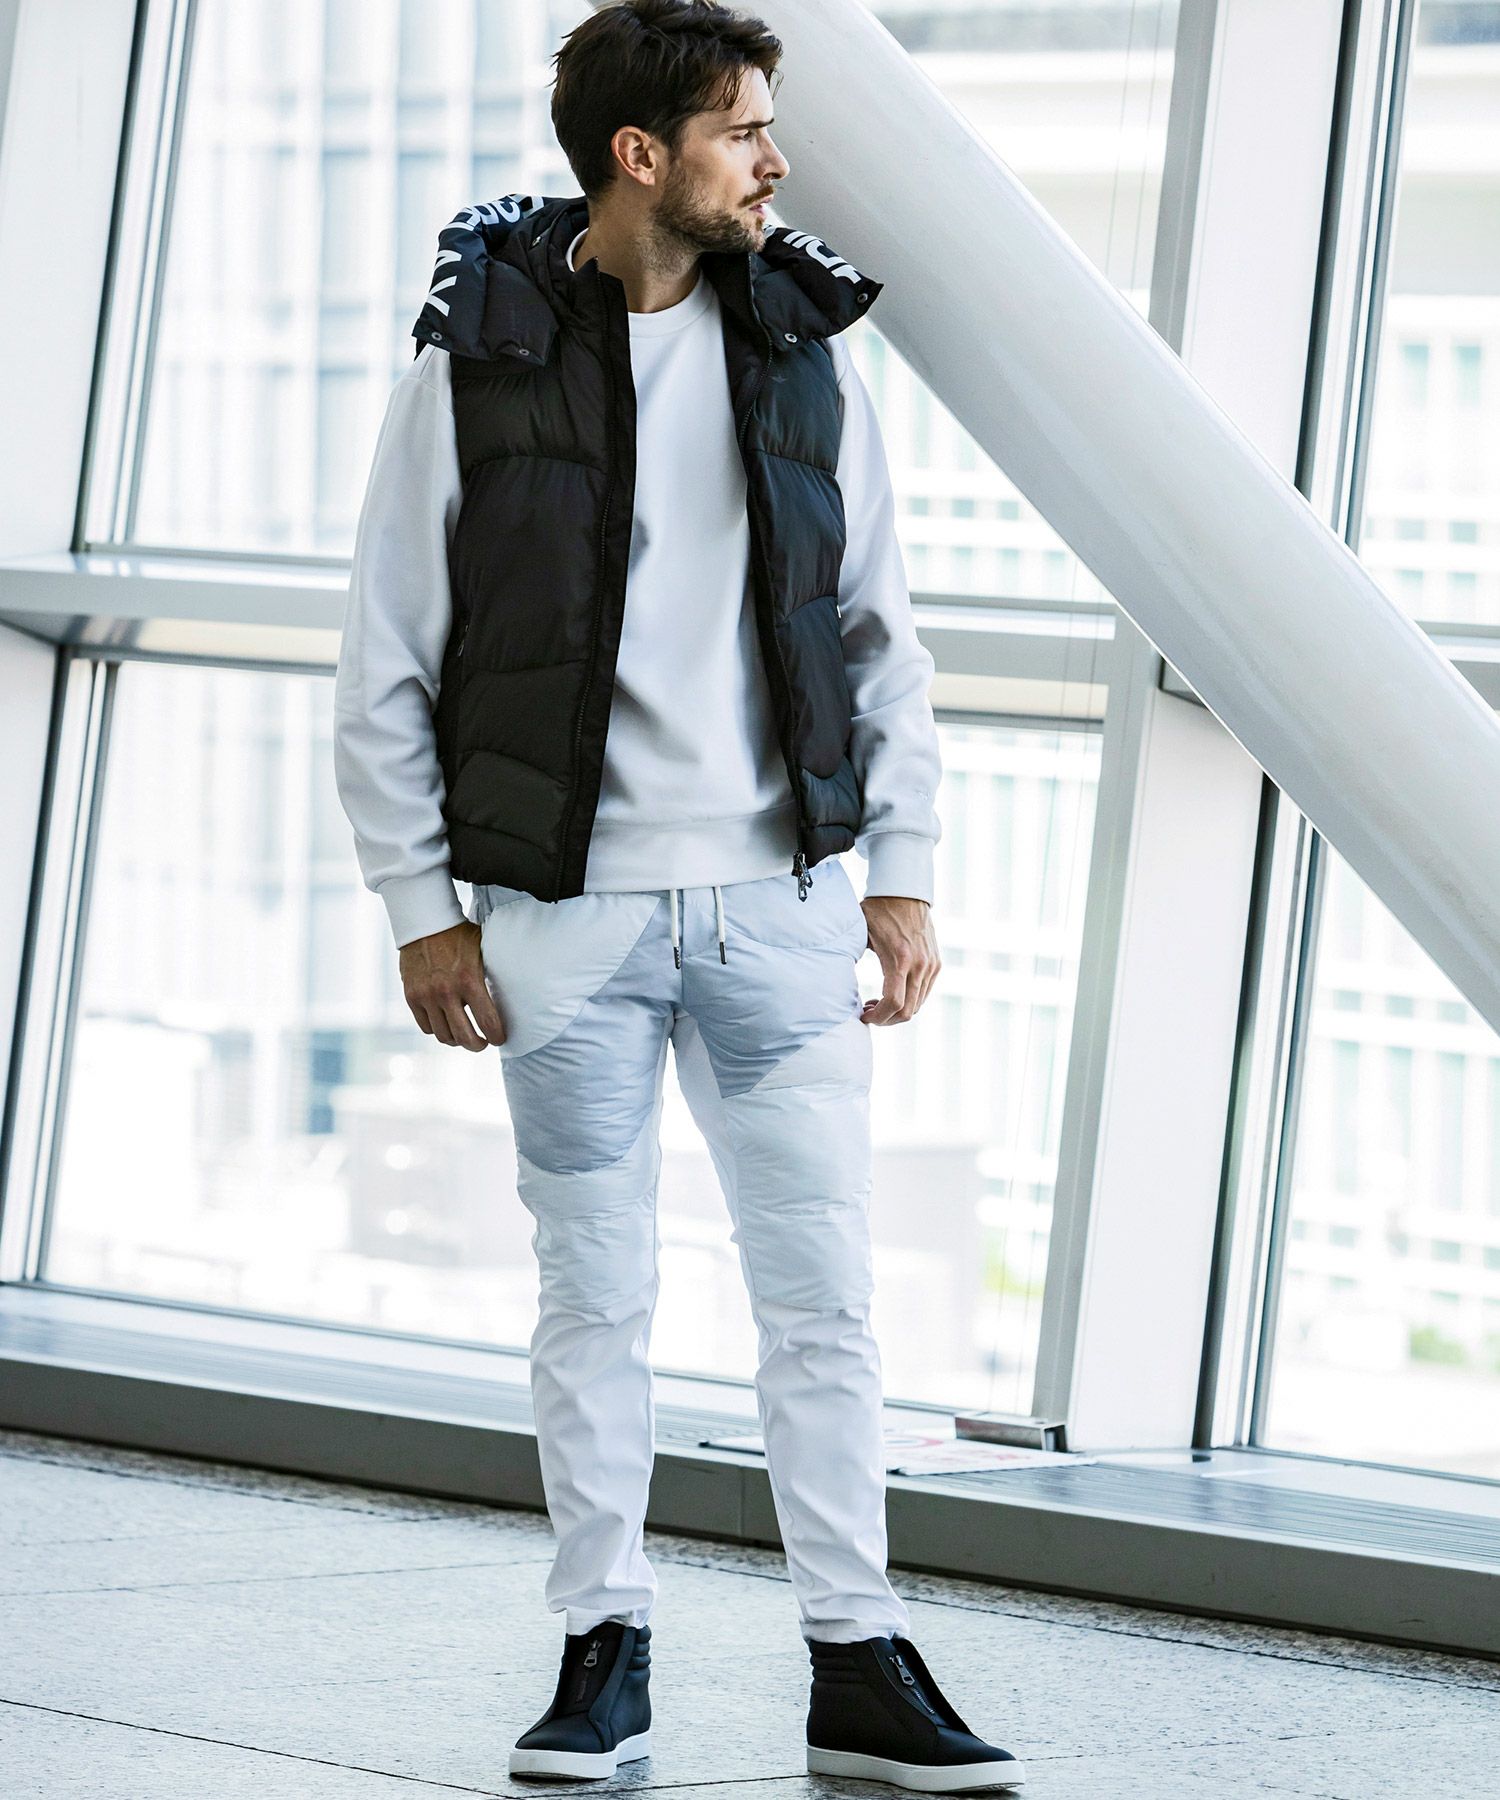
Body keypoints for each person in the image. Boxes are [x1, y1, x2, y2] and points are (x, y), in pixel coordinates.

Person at [333, 0, 1025, 1789]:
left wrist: (905, 878)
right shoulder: (472, 369)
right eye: (741, 131)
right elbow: (385, 663)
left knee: (826, 1303)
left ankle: (859, 1658)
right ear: (642, 157)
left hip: (780, 916)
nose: (776, 161)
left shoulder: (801, 355)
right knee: (594, 1300)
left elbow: (880, 638)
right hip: (563, 930)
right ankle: (602, 1651)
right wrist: (422, 906)